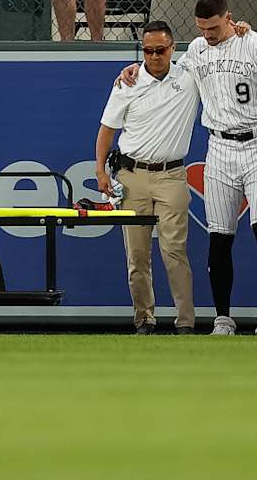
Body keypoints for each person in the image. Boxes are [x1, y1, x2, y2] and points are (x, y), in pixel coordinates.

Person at [118, 0, 257, 335]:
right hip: (220, 145)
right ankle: (222, 318)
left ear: (229, 18)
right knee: (219, 237)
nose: (209, 33)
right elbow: (163, 67)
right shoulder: (197, 50)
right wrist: (134, 70)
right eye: (202, 28)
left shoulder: (256, 45)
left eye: (214, 26)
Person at [95, 20, 200, 334]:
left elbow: (216, 42)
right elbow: (107, 130)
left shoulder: (190, 76)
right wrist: (100, 170)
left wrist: (239, 28)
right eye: (148, 50)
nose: (154, 56)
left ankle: (185, 322)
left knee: (174, 252)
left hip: (172, 175)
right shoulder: (128, 82)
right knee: (137, 255)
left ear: (173, 49)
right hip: (132, 175)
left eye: (160, 50)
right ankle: (144, 319)